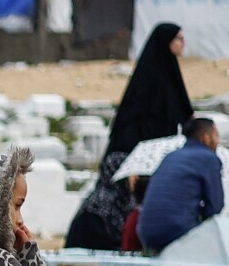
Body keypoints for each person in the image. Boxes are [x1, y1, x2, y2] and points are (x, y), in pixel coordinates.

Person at [66, 23, 192, 251]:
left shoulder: (169, 75)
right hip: (133, 158)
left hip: (152, 157)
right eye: (178, 39)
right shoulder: (153, 79)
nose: (182, 44)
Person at [135, 118, 226, 252]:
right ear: (206, 137)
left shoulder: (170, 156)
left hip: (146, 232)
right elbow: (215, 207)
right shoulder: (208, 158)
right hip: (177, 230)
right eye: (216, 136)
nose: (218, 142)